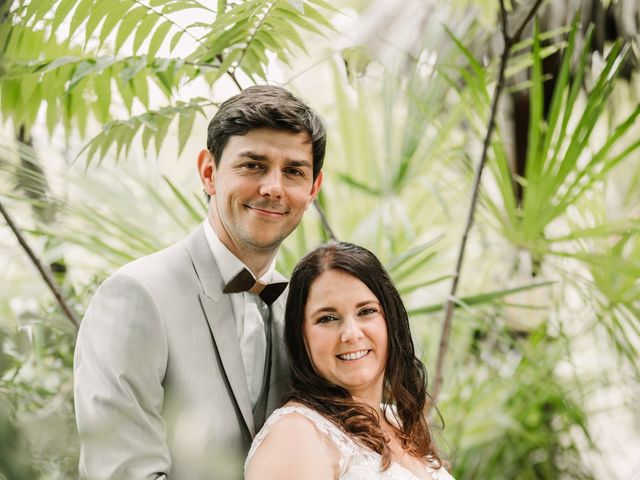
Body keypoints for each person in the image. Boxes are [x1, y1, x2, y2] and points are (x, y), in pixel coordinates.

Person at [73, 85, 325, 479]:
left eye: (293, 171)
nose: (273, 187)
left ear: (312, 189)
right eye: (253, 165)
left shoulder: (305, 308)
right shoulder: (136, 294)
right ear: (209, 173)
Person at [245, 241, 454, 480]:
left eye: (366, 311)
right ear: (300, 335)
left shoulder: (397, 420)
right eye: (328, 318)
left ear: (391, 320)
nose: (352, 334)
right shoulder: (297, 435)